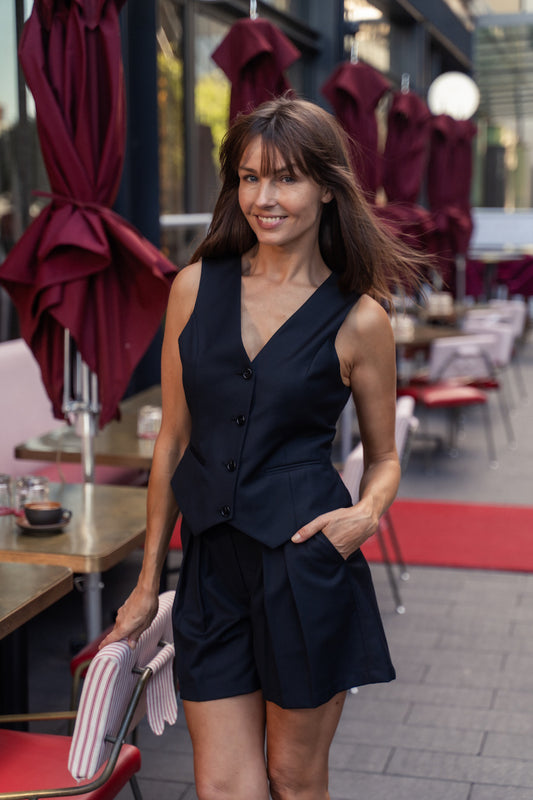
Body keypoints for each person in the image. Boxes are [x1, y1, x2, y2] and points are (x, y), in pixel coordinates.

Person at [101, 96, 421, 800]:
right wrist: (147, 581)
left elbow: (384, 456)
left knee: (292, 779)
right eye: (248, 178)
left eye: (284, 179)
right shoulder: (192, 288)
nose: (263, 198)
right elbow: (173, 440)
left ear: (327, 187)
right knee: (223, 788)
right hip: (211, 568)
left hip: (305, 565)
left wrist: (366, 513)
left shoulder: (360, 316)